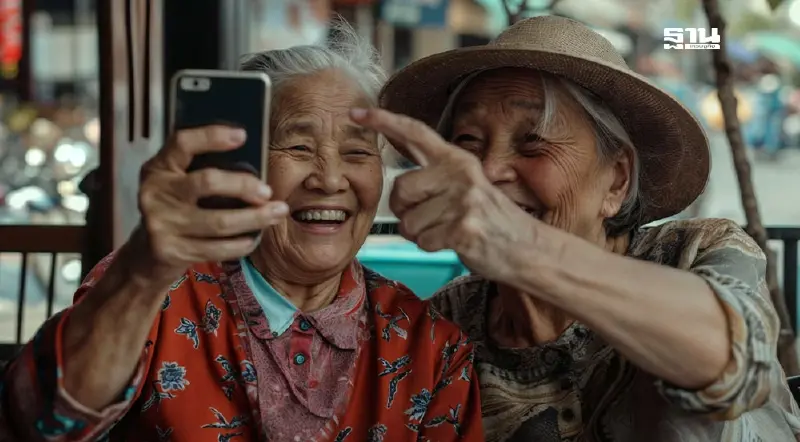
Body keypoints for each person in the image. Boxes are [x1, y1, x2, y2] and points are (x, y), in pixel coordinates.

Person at [0, 23, 482, 442]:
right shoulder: (154, 292)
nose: (331, 180)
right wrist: (144, 270)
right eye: (297, 146)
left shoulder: (428, 343)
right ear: (244, 161)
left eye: (358, 153)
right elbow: (35, 422)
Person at [351, 15, 800, 442]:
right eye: (468, 142)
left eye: (533, 142)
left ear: (617, 180)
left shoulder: (695, 253)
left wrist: (525, 248)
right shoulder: (450, 320)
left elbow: (733, 361)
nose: (487, 172)